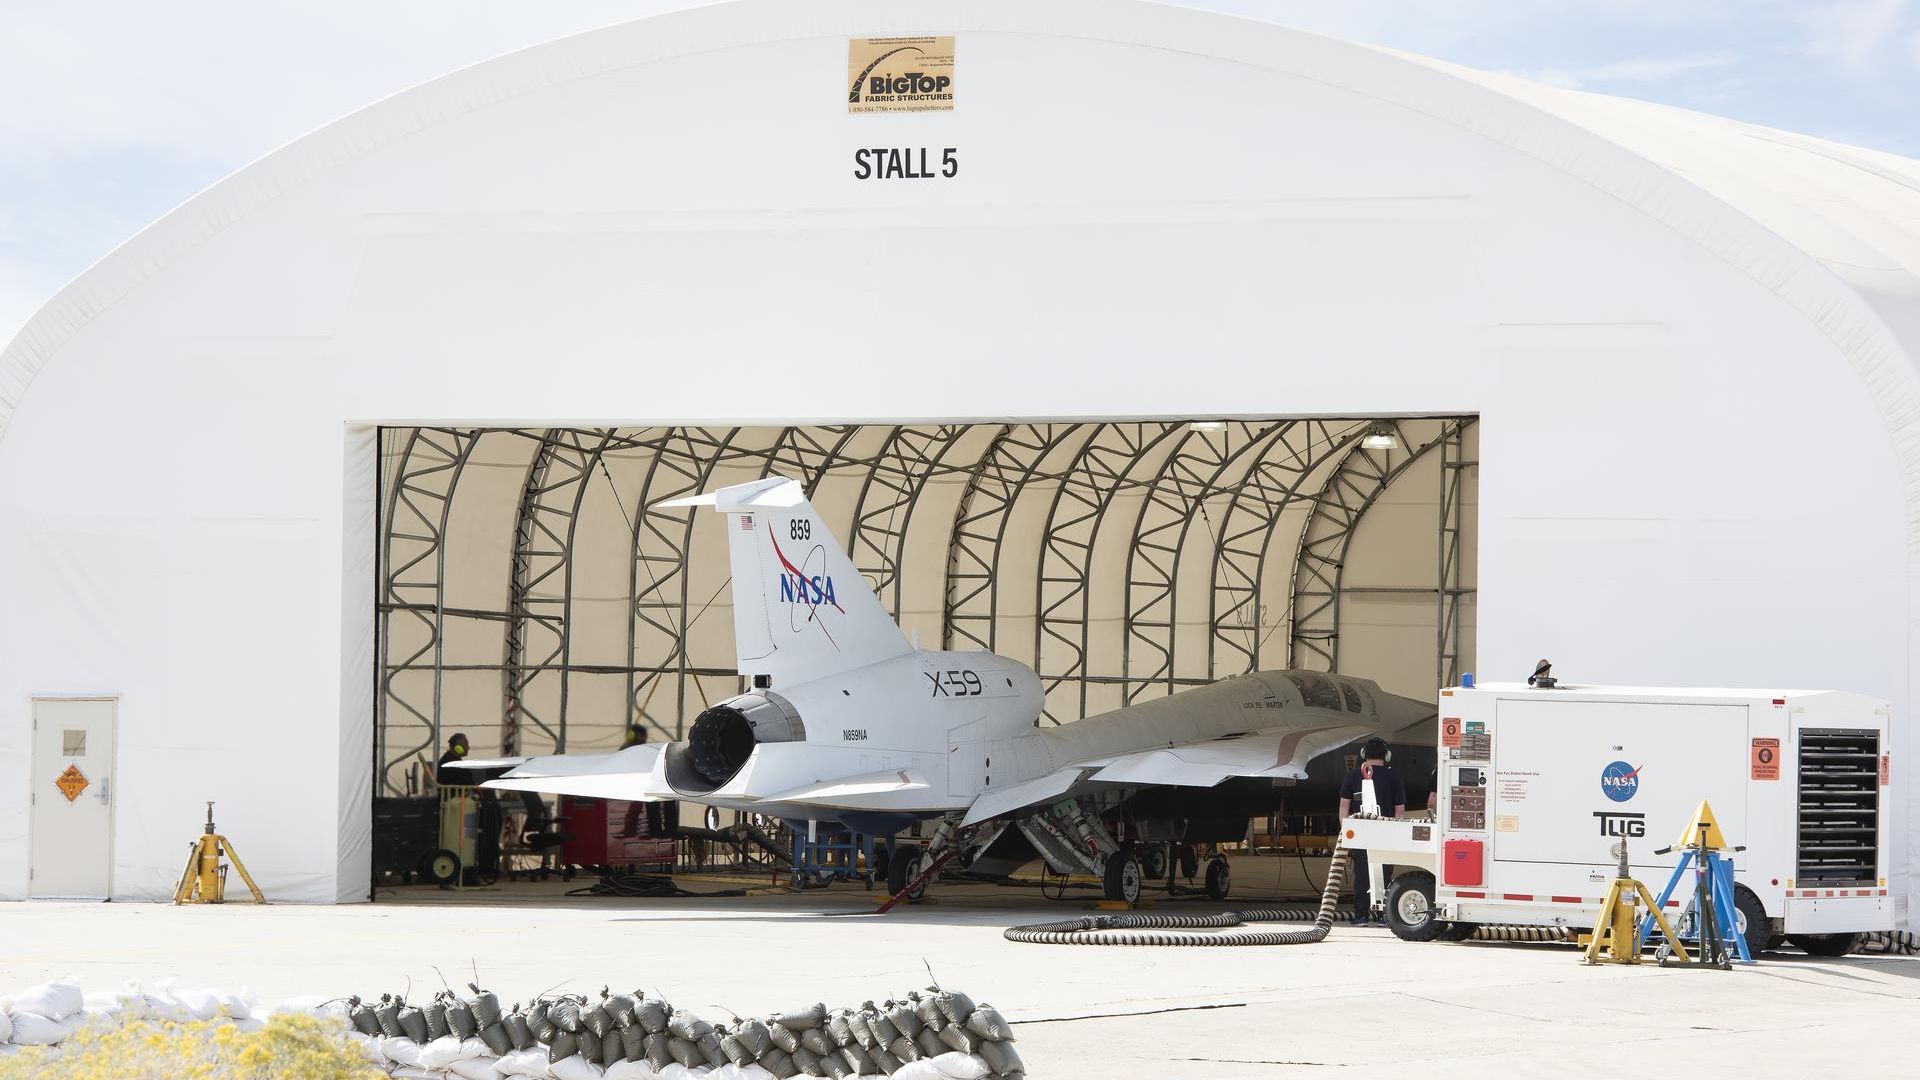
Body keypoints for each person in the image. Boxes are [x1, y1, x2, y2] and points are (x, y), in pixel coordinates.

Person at [1336, 738, 1406, 926]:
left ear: (1363, 754)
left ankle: (1360, 916)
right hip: (1387, 833)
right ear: (1387, 756)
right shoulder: (1394, 777)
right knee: (1384, 875)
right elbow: (1399, 810)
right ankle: (1384, 915)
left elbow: (1344, 807)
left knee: (1362, 874)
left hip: (1360, 834)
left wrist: (1346, 831)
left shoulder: (1352, 775)